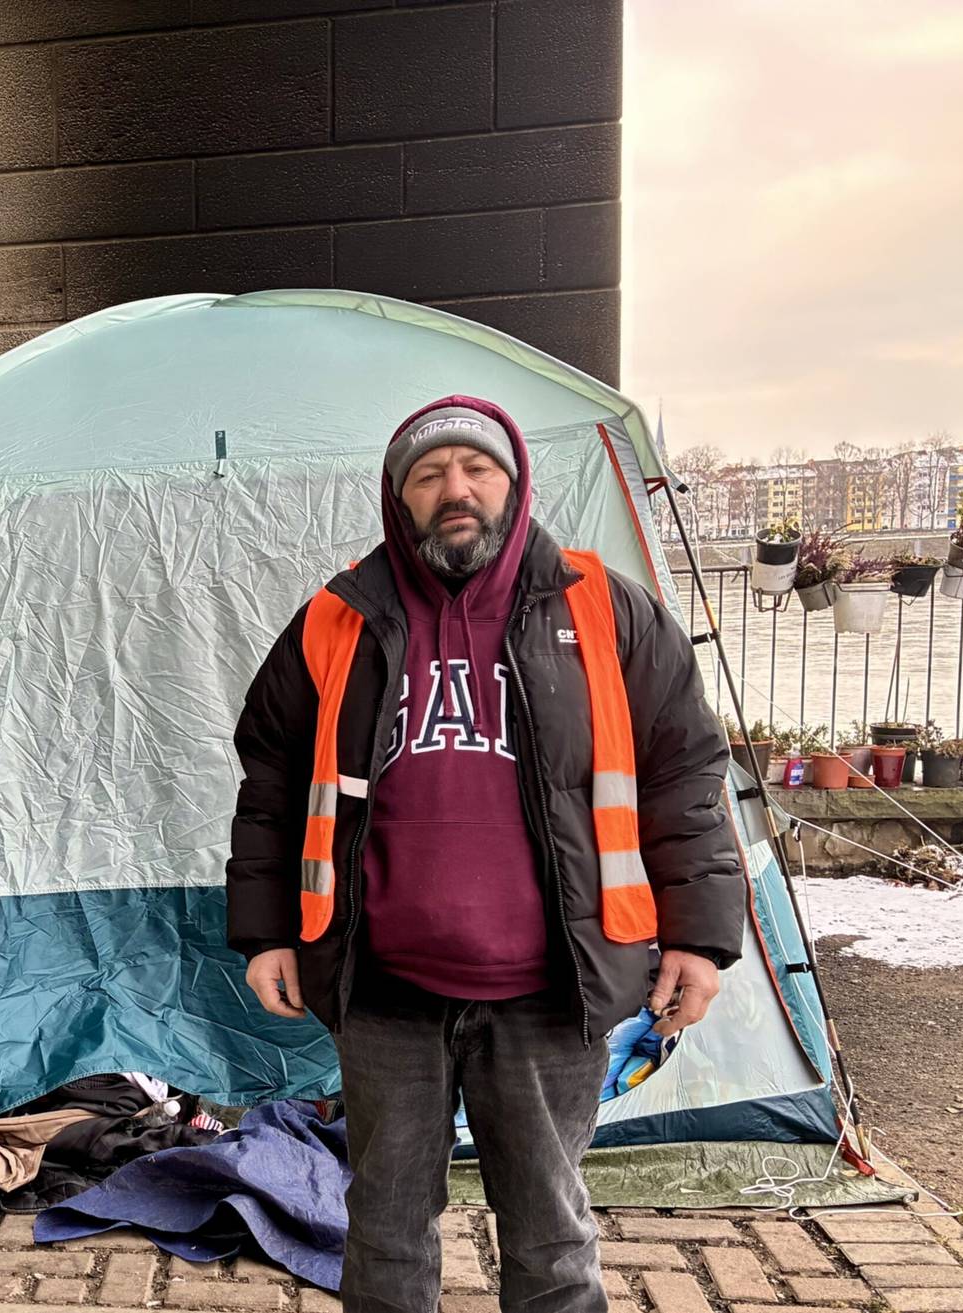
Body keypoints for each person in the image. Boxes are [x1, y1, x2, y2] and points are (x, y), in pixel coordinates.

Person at [226, 397, 745, 1313]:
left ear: (516, 483)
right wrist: (268, 929)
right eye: (429, 475)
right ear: (399, 499)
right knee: (384, 1232)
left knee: (551, 1240)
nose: (455, 489)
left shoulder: (607, 610)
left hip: (554, 990)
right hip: (383, 991)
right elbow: (271, 779)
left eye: (477, 468)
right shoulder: (338, 619)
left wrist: (698, 939)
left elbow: (685, 777)